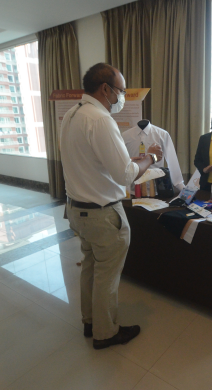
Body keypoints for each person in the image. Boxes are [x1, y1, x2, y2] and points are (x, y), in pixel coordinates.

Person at [60, 62, 163, 349]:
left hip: (77, 209)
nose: (123, 97)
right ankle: (105, 333)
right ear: (105, 89)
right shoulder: (101, 119)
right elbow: (126, 175)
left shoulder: (72, 114)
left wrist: (130, 161)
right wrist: (151, 158)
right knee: (107, 275)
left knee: (90, 266)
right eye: (121, 90)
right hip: (102, 215)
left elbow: (90, 162)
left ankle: (90, 321)